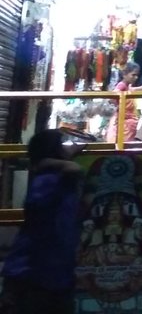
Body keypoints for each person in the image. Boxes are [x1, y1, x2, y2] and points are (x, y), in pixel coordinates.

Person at [0, 130, 83, 314]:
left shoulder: (51, 178)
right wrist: (47, 163)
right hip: (35, 275)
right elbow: (74, 169)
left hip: (49, 274)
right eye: (61, 145)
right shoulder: (49, 180)